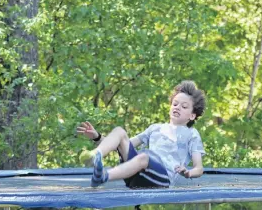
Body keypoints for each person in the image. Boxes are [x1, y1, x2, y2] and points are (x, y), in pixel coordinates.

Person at [77, 80, 206, 188]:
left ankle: (103, 177)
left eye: (184, 106)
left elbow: (199, 169)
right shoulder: (155, 128)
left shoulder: (192, 134)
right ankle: (95, 155)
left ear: (192, 115)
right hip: (136, 174)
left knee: (144, 156)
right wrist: (97, 136)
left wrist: (188, 173)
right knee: (120, 132)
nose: (177, 107)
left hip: (162, 178)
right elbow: (121, 145)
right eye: (175, 104)